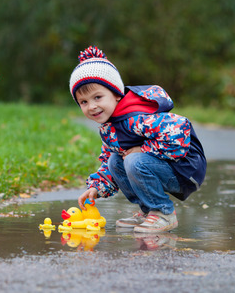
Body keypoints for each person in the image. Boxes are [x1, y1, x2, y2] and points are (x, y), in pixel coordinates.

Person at [69, 46, 206, 233]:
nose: (92, 106)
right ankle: (149, 211)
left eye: (98, 97)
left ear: (117, 94)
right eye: (84, 102)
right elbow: (109, 164)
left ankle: (163, 212)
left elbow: (180, 128)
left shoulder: (136, 117)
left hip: (184, 170)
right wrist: (97, 188)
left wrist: (144, 150)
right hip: (160, 166)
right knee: (115, 160)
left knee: (133, 159)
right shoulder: (110, 128)